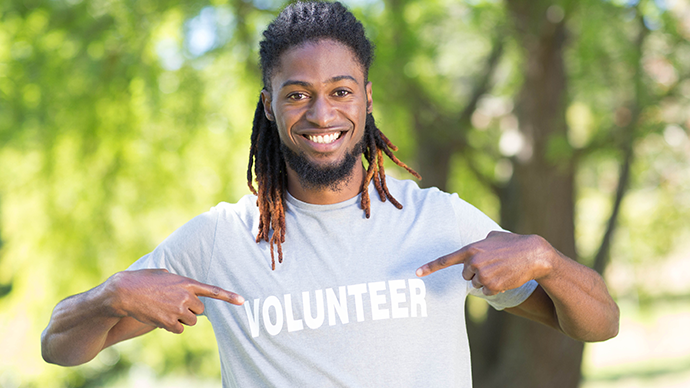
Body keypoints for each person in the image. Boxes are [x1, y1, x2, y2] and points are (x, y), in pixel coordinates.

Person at [41, 2, 619, 386]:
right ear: (269, 106)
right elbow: (60, 347)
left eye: (340, 91)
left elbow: (598, 322)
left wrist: (544, 258)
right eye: (297, 95)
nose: (322, 113)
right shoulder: (220, 240)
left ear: (366, 98)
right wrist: (112, 295)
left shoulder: (438, 222)